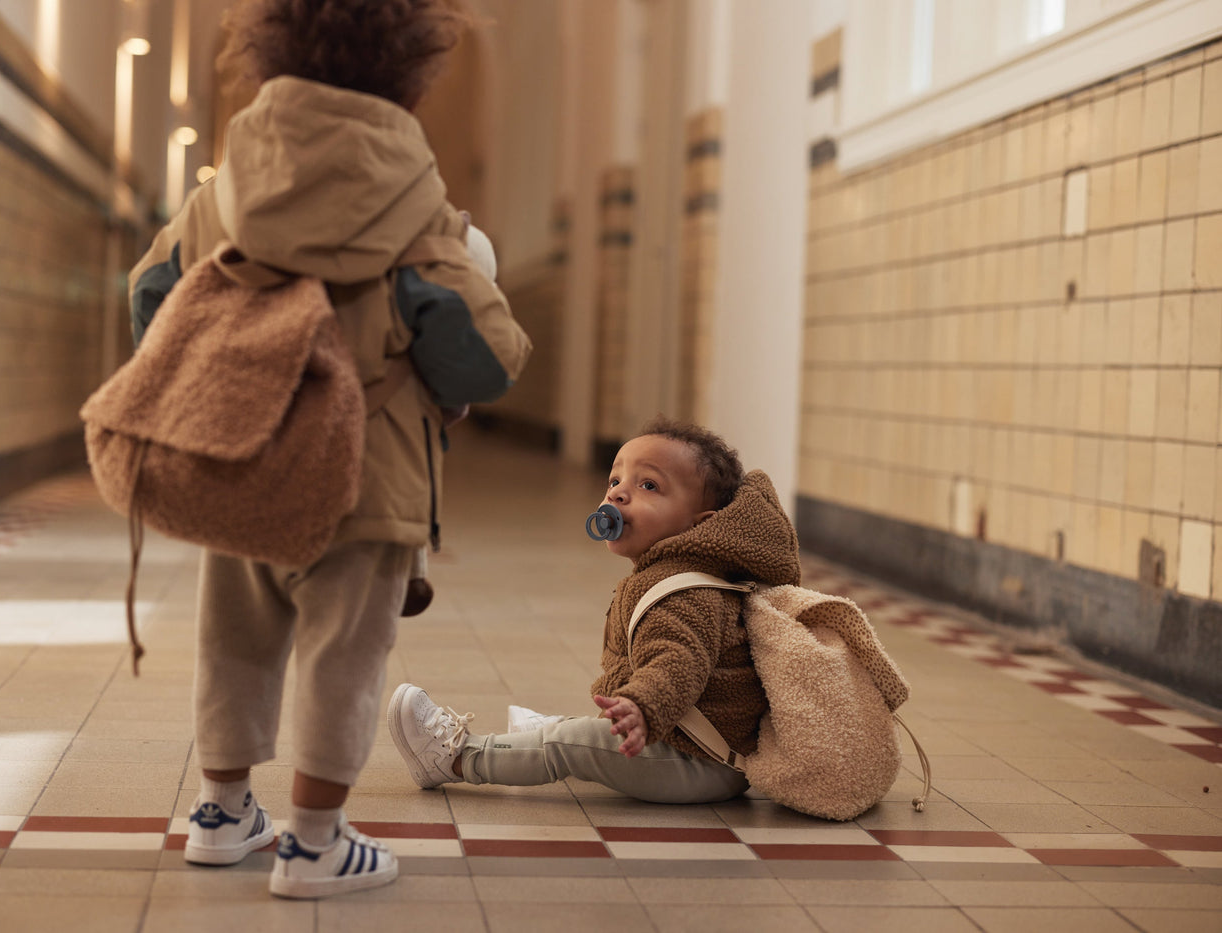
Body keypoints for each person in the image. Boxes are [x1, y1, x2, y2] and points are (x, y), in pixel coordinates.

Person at [127, 0, 531, 899]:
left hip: (244, 457)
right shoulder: (426, 210)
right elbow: (488, 356)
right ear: (408, 70)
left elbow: (151, 295)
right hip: (367, 473)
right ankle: (314, 841)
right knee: (343, 657)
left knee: (233, 638)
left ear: (269, 56)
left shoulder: (220, 196)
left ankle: (221, 813)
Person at [388, 417, 800, 803]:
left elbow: (678, 662)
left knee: (569, 747)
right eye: (615, 479)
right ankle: (553, 732)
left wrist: (643, 707)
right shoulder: (671, 573)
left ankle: (458, 758)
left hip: (698, 763)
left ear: (699, 525)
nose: (618, 493)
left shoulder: (684, 594)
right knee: (583, 735)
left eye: (649, 486)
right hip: (686, 742)